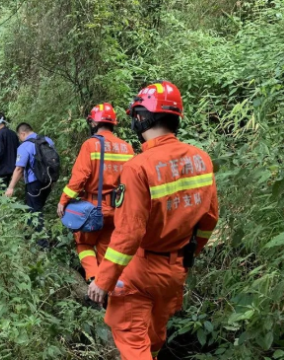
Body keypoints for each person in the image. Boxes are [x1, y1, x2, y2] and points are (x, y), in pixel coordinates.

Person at [87, 81, 219, 360]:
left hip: (141, 269)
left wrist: (103, 280)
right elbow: (209, 219)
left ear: (141, 117)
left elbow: (129, 232)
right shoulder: (201, 160)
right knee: (155, 331)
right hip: (176, 269)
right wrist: (187, 255)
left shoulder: (138, 167)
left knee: (131, 337)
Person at [57, 103, 134, 283]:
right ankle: (108, 287)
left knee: (84, 242)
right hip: (118, 208)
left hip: (93, 208)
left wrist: (64, 200)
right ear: (113, 123)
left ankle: (93, 279)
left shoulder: (91, 145)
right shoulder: (127, 148)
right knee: (106, 247)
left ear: (93, 123)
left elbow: (79, 178)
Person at [5, 123, 56, 239]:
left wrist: (11, 187)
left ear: (22, 133)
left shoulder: (25, 146)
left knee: (35, 213)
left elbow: (19, 169)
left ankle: (43, 244)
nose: (20, 139)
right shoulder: (47, 141)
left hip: (34, 184)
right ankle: (27, 237)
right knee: (34, 209)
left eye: (20, 137)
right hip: (49, 181)